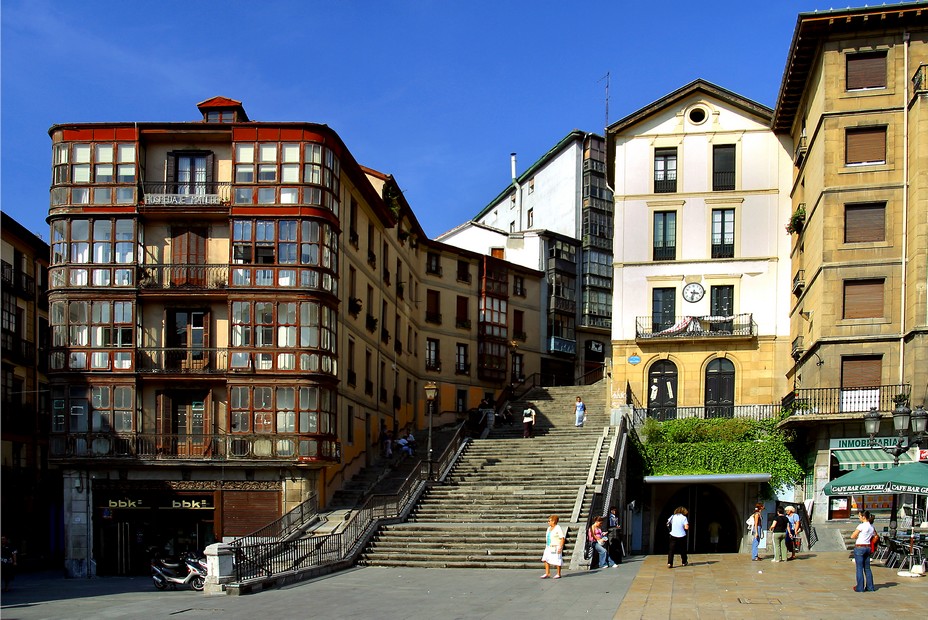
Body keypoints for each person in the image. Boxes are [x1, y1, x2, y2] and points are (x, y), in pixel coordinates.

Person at [852, 510, 876, 592]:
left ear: (863, 517)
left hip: (859, 547)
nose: (859, 518)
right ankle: (870, 587)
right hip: (868, 547)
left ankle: (860, 587)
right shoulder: (871, 527)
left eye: (859, 516)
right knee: (867, 568)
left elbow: (853, 536)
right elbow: (875, 536)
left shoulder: (861, 526)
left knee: (859, 568)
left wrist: (858, 536)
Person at [541, 515, 565, 579]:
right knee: (545, 559)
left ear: (553, 521)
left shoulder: (558, 528)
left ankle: (558, 573)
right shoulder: (549, 528)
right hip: (548, 546)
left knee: (557, 559)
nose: (548, 522)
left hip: (556, 546)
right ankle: (547, 573)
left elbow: (562, 538)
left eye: (549, 521)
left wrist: (560, 547)